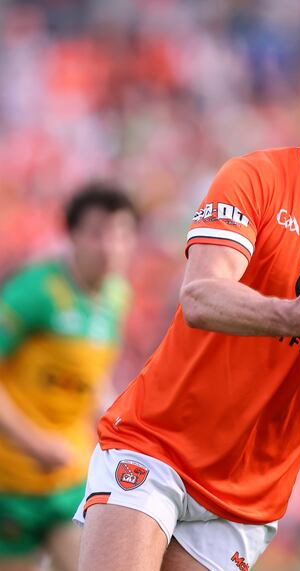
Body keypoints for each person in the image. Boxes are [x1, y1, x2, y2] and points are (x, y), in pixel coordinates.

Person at [74, 25, 300, 570]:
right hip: (158, 446)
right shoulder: (256, 178)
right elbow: (200, 297)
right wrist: (289, 315)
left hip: (249, 494)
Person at [0, 183, 138, 571]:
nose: (110, 246)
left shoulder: (117, 297)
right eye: (97, 233)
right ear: (72, 235)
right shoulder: (33, 293)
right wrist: (35, 443)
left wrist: (118, 422)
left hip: (69, 477)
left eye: (121, 233)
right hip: (9, 480)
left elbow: (92, 376)